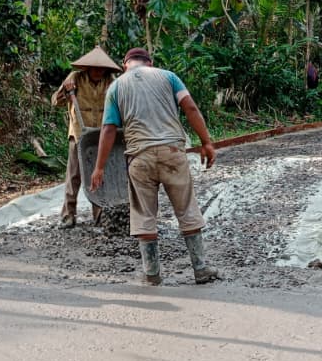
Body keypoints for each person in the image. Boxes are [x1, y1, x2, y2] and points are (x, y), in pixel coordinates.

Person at [90, 48, 219, 286]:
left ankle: (151, 274)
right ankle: (200, 268)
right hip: (172, 153)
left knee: (144, 213)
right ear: (150, 62)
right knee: (186, 207)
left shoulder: (116, 87)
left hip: (139, 157)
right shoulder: (169, 76)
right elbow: (190, 108)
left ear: (125, 64)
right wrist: (206, 142)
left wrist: (99, 168)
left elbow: (108, 129)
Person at [51, 46, 120, 228]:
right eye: (94, 68)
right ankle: (68, 215)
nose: (98, 71)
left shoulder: (111, 81)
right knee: (74, 174)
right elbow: (55, 101)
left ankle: (100, 214)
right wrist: (66, 91)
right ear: (88, 68)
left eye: (101, 68)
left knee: (100, 173)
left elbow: (122, 104)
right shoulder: (75, 78)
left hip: (102, 134)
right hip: (79, 133)